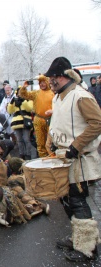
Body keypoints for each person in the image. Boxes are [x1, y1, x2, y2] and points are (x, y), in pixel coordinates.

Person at [45, 57, 101, 262]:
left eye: (54, 77)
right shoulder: (57, 97)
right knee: (66, 200)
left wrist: (75, 146)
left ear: (66, 76)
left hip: (79, 161)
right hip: (63, 159)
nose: (51, 81)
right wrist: (51, 140)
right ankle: (80, 238)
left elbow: (97, 124)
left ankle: (88, 247)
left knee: (77, 201)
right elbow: (57, 122)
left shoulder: (81, 96)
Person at [19, 75, 54, 157]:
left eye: (43, 82)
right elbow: (24, 95)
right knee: (40, 142)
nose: (42, 84)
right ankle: (43, 158)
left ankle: (52, 156)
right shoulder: (36, 93)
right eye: (40, 83)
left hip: (51, 120)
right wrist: (24, 87)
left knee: (51, 142)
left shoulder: (53, 92)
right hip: (38, 119)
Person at [7, 93, 34, 160]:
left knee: (26, 139)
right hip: (17, 123)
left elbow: (29, 109)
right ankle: (22, 154)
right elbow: (9, 111)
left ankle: (28, 155)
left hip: (25, 122)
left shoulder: (28, 100)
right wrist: (11, 103)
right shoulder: (15, 101)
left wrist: (24, 101)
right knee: (19, 140)